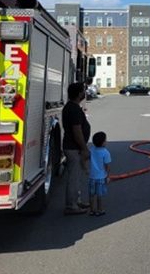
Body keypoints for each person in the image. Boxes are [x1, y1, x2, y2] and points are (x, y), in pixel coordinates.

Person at [62, 82, 91, 215]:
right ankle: (71, 206)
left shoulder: (72, 107)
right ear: (79, 93)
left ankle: (76, 201)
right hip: (73, 148)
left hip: (74, 147)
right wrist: (84, 148)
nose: (85, 93)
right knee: (73, 177)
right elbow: (77, 131)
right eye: (83, 91)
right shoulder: (73, 109)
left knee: (76, 176)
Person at [88, 131, 111, 216]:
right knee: (99, 195)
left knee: (91, 194)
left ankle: (91, 210)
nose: (106, 141)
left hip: (92, 177)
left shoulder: (92, 149)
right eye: (105, 140)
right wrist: (108, 176)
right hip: (101, 177)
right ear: (103, 143)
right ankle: (100, 210)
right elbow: (107, 166)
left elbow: (87, 157)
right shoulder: (106, 152)